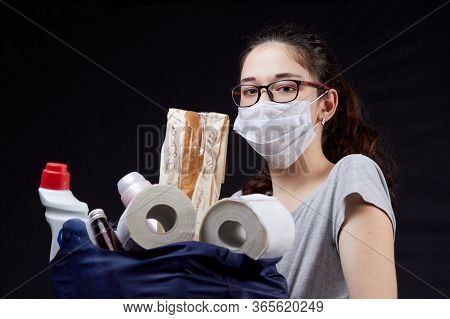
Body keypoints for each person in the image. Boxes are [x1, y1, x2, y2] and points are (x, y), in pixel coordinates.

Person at [230, 22, 398, 298]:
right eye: (250, 91)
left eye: (285, 87)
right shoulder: (237, 207)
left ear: (326, 105)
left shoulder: (350, 178)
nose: (263, 104)